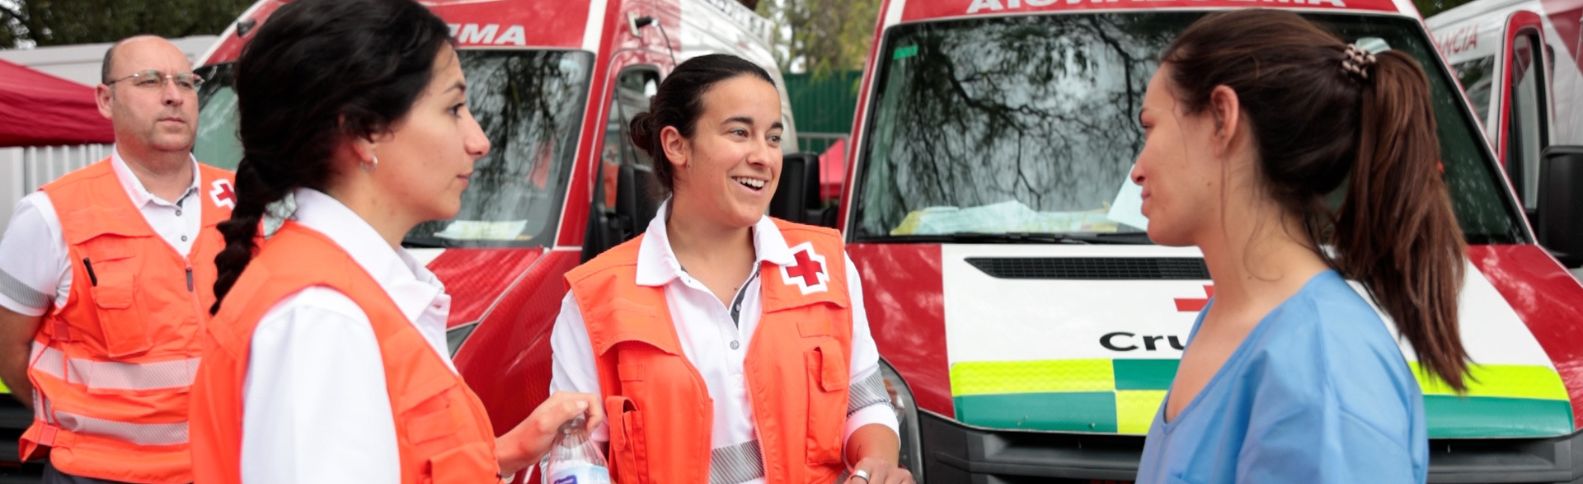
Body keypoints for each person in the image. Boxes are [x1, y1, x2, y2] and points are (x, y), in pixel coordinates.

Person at [184, 0, 600, 482]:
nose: (479, 140)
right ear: (365, 132)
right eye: (454, 109)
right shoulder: (323, 316)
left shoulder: (349, 292)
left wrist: (501, 456)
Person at [1129, 9, 1468, 483]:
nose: (1137, 170)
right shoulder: (1235, 321)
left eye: (1150, 127)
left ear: (1222, 118)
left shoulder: (1324, 365)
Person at [550, 53, 914, 484]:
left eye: (773, 137)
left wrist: (876, 466)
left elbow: (865, 402)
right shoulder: (595, 302)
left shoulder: (823, 265)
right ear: (676, 145)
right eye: (739, 132)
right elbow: (575, 462)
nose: (764, 157)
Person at [0, 35, 227, 484]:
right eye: (149, 81)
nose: (173, 95)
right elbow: (9, 352)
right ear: (106, 100)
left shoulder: (246, 202)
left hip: (224, 466)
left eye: (185, 81)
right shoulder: (49, 215)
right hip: (96, 474)